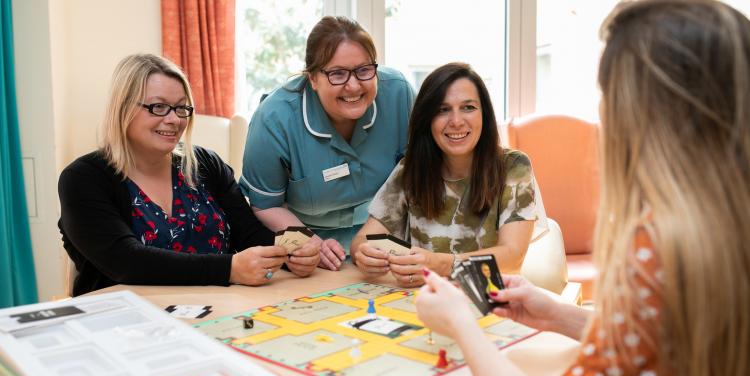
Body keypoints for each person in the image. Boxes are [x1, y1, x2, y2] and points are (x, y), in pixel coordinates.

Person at [416, 1, 750, 376]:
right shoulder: (718, 226)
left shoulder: (659, 243)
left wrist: (462, 325)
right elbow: (665, 338)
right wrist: (560, 315)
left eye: (608, 91)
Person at [59, 54, 320, 296]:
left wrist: (294, 253)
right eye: (159, 107)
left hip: (219, 313)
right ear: (123, 108)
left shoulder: (207, 165)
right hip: (126, 326)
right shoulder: (84, 179)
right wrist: (230, 269)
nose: (174, 119)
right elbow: (125, 262)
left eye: (182, 108)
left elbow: (249, 234)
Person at [240, 16, 415, 271]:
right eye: (338, 74)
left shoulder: (399, 94)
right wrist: (309, 244)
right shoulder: (274, 118)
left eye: (364, 70)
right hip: (315, 255)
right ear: (312, 78)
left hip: (390, 243)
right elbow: (264, 205)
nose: (353, 85)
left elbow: (423, 174)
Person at [351, 63, 547, 287]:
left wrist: (440, 264)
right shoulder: (410, 169)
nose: (456, 121)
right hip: (426, 302)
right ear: (427, 120)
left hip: (491, 302)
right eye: (442, 110)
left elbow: (512, 258)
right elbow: (362, 240)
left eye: (468, 107)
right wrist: (364, 254)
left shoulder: (514, 167)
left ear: (484, 114)